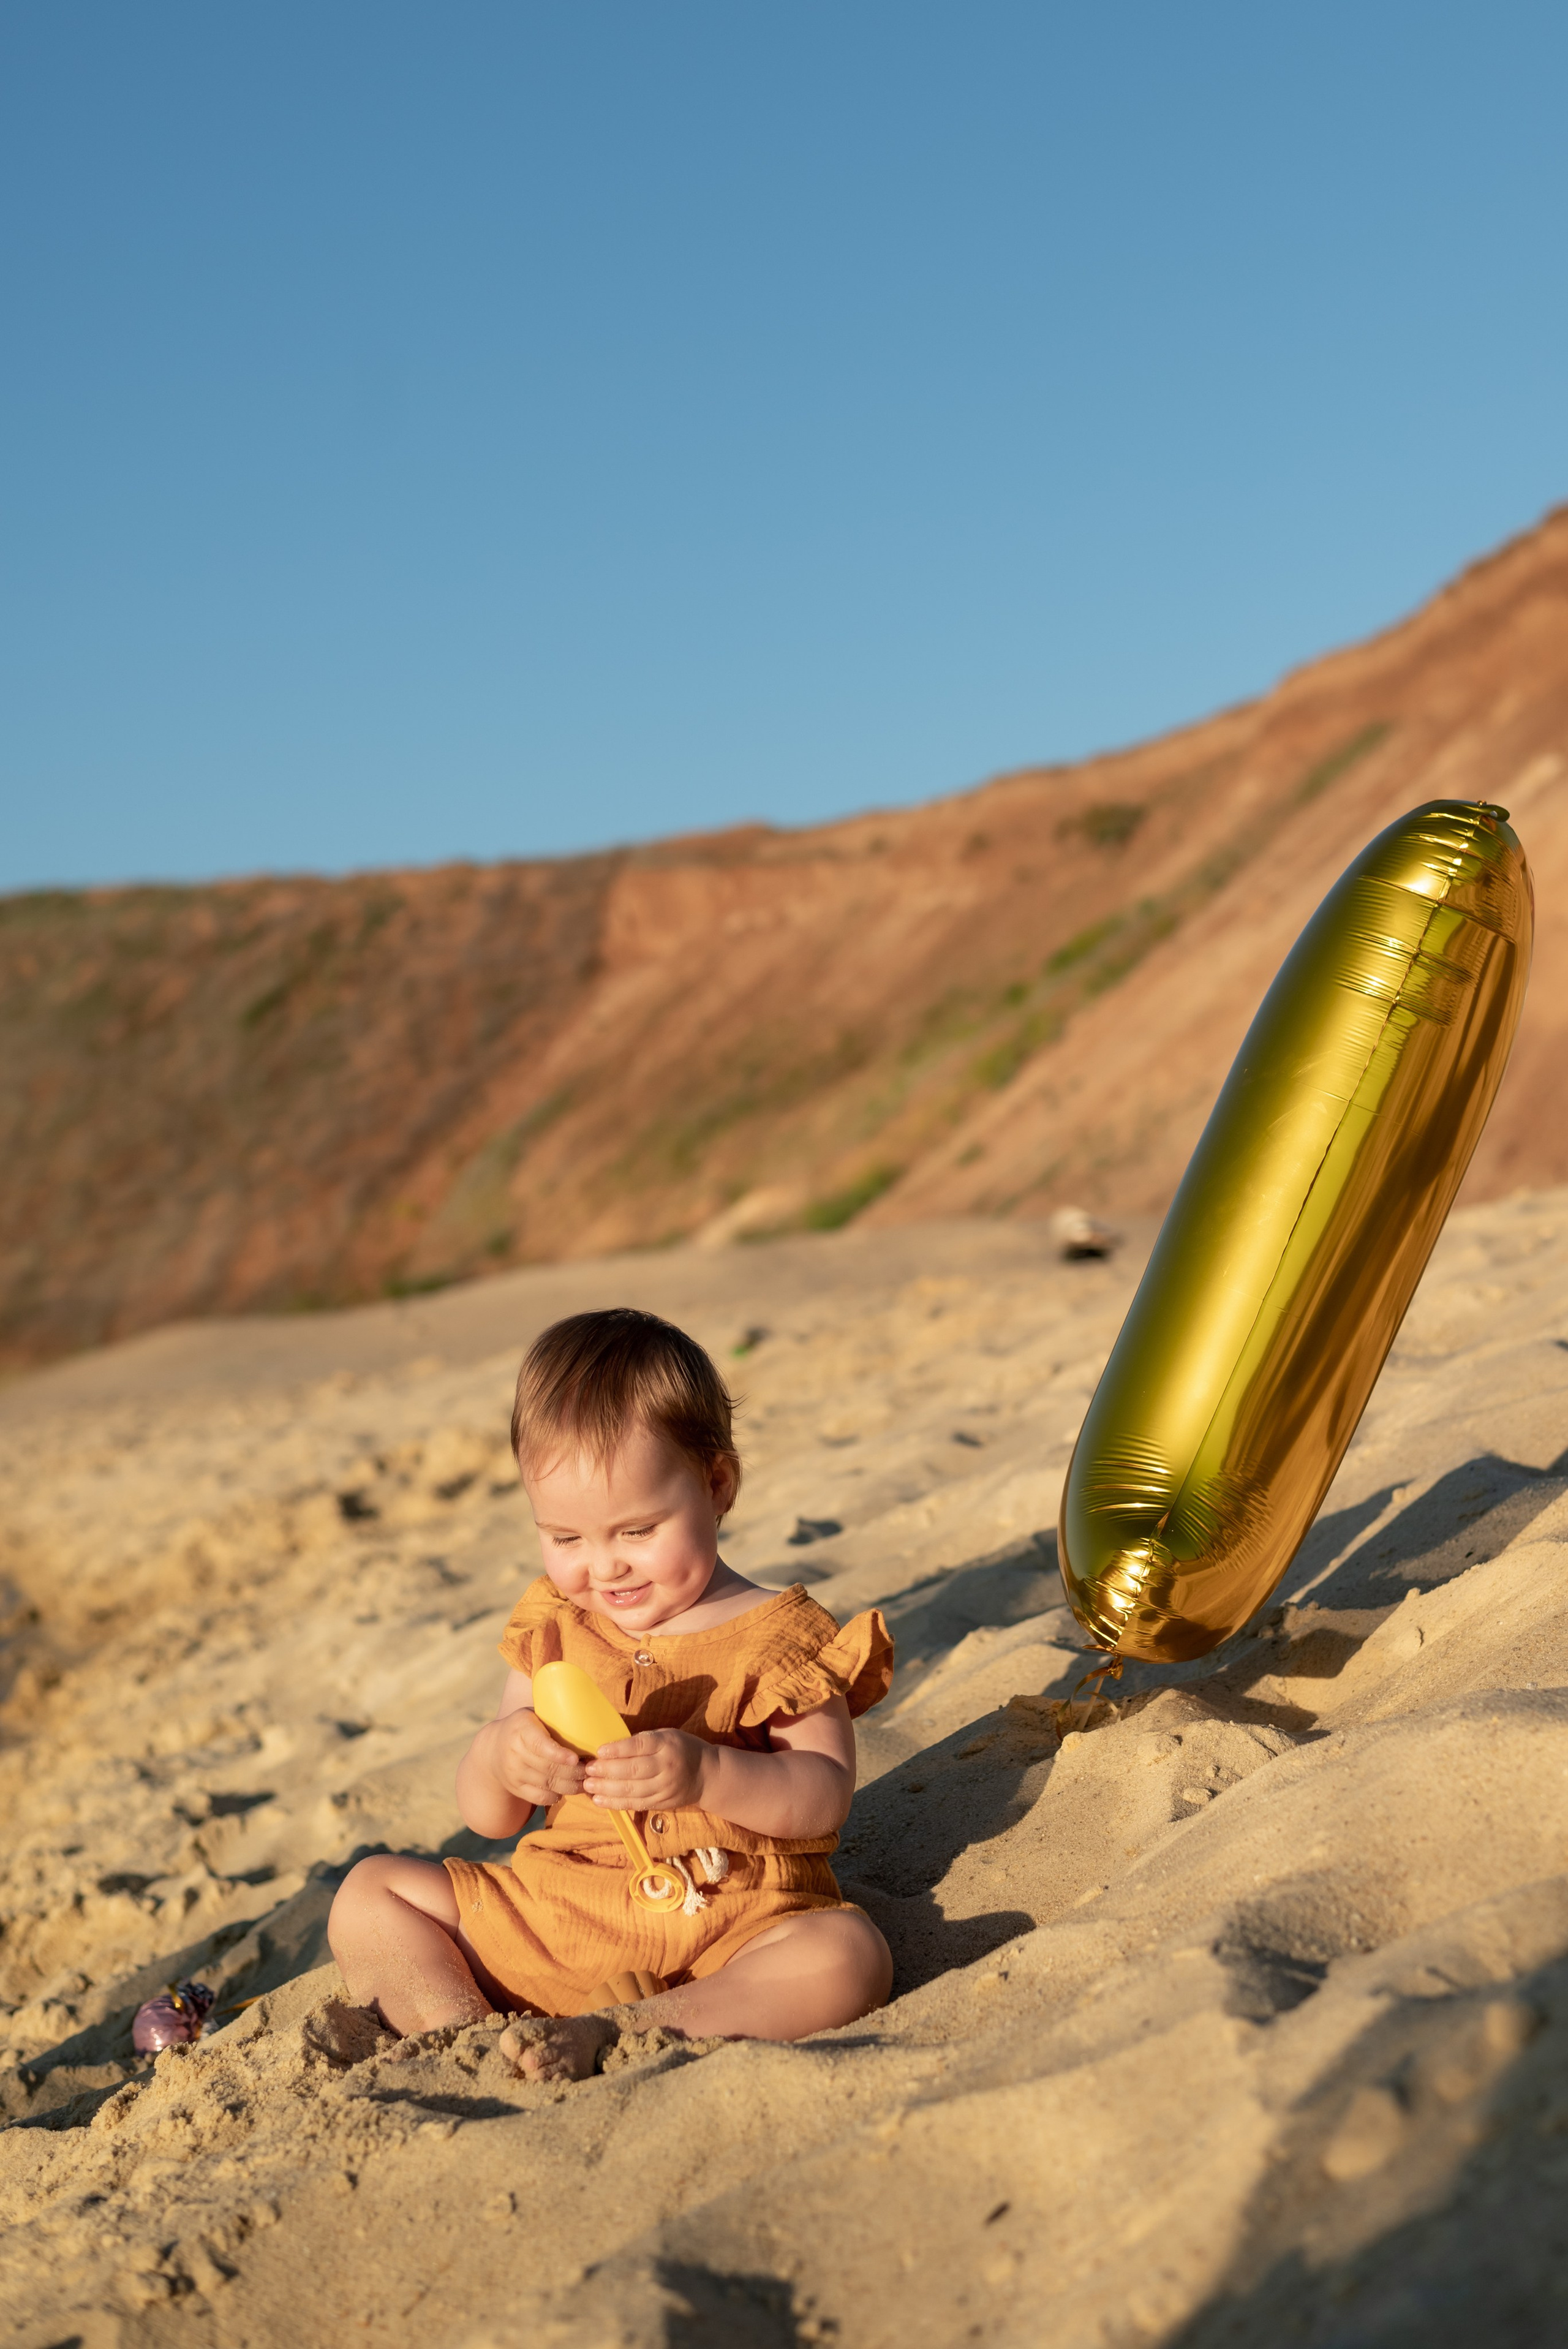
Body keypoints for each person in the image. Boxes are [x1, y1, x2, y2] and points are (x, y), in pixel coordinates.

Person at [328, 1306, 894, 2081]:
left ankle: (635, 2027)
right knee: (369, 1891)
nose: (604, 1568)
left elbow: (822, 1797)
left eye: (636, 1531)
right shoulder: (556, 1627)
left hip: (723, 1927)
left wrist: (709, 1774)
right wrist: (502, 1755)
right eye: (565, 1539)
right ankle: (458, 2037)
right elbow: (487, 1816)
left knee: (847, 1955)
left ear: (716, 1483)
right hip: (558, 1918)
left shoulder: (780, 1636)